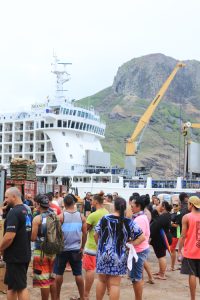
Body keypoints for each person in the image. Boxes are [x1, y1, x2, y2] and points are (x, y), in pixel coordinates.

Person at [95, 197, 145, 300]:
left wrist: (100, 246)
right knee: (114, 285)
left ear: (114, 206)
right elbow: (142, 237)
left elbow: (96, 235)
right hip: (119, 256)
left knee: (101, 281)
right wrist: (130, 244)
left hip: (103, 254)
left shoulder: (105, 218)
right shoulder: (128, 222)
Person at [53, 193, 87, 300]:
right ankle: (82, 297)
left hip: (62, 249)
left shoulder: (60, 217)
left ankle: (57, 297)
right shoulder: (81, 217)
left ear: (64, 204)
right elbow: (85, 234)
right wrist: (82, 247)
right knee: (78, 273)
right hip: (76, 249)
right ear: (73, 203)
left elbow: (55, 234)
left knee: (59, 273)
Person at [0, 187, 31, 300]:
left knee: (21, 287)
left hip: (16, 256)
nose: (5, 200)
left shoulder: (14, 213)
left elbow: (9, 236)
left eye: (6, 197)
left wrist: (0, 248)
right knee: (12, 286)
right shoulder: (26, 210)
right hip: (24, 254)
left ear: (14, 197)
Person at [82, 192, 109, 300]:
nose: (90, 201)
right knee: (103, 272)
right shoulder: (106, 212)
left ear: (96, 202)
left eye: (92, 200)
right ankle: (108, 291)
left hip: (92, 246)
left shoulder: (93, 215)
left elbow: (85, 230)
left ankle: (86, 294)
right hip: (103, 246)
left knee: (89, 270)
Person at [31, 194, 56, 300]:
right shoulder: (55, 215)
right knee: (52, 278)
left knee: (43, 280)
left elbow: (32, 237)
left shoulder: (37, 219)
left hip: (41, 251)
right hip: (53, 249)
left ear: (38, 205)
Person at [131, 195, 153, 299]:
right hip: (142, 249)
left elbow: (142, 237)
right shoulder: (143, 217)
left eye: (132, 206)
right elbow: (147, 234)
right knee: (139, 277)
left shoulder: (138, 219)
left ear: (138, 206)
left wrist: (130, 244)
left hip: (138, 251)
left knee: (136, 278)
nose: (131, 208)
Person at [178, 196, 200, 300]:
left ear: (191, 204)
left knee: (192, 274)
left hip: (190, 251)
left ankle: (193, 298)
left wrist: (179, 250)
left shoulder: (186, 217)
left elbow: (182, 236)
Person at [150, 201, 172, 280]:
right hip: (161, 238)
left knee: (161, 256)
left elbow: (156, 225)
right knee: (160, 255)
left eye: (159, 205)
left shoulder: (165, 216)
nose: (157, 206)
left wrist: (150, 236)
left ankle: (162, 274)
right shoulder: (165, 215)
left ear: (163, 206)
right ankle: (160, 272)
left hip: (161, 239)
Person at [170, 198, 181, 271]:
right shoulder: (173, 213)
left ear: (179, 206)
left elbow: (177, 225)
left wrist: (169, 223)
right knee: (172, 250)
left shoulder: (179, 214)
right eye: (173, 205)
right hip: (171, 233)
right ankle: (172, 266)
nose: (174, 206)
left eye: (176, 205)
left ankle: (172, 266)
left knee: (172, 250)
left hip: (176, 234)